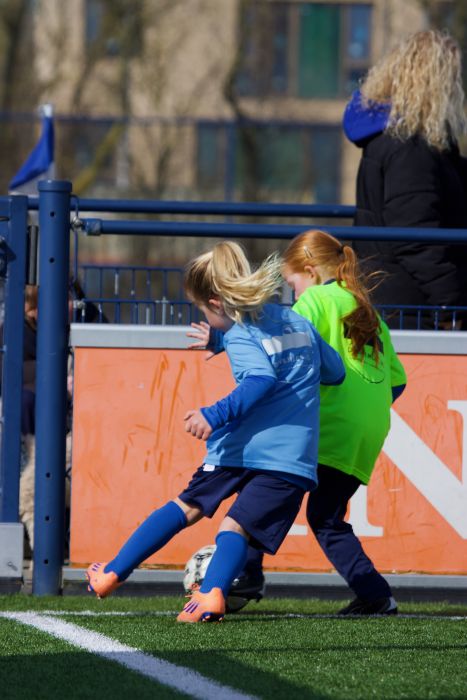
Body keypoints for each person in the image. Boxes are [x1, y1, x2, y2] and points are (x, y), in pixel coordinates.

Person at [86, 241, 345, 623]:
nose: (207, 319)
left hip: (239, 448)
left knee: (185, 507)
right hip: (290, 456)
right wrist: (228, 342)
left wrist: (213, 414)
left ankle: (111, 573)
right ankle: (211, 595)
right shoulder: (295, 321)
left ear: (216, 303)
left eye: (203, 311)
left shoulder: (240, 335)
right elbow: (335, 372)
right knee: (235, 527)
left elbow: (260, 377)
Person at [189, 230, 407, 615]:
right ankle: (376, 595)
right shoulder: (368, 310)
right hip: (368, 430)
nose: (293, 293)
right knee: (325, 516)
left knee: (261, 484)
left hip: (329, 424)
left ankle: (244, 574)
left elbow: (282, 342)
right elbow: (398, 382)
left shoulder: (315, 300)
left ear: (309, 270)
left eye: (292, 284)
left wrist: (222, 341)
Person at [343, 29, 467, 329]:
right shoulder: (410, 148)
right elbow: (415, 236)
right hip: (412, 305)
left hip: (390, 294)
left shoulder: (398, 140)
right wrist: (451, 303)